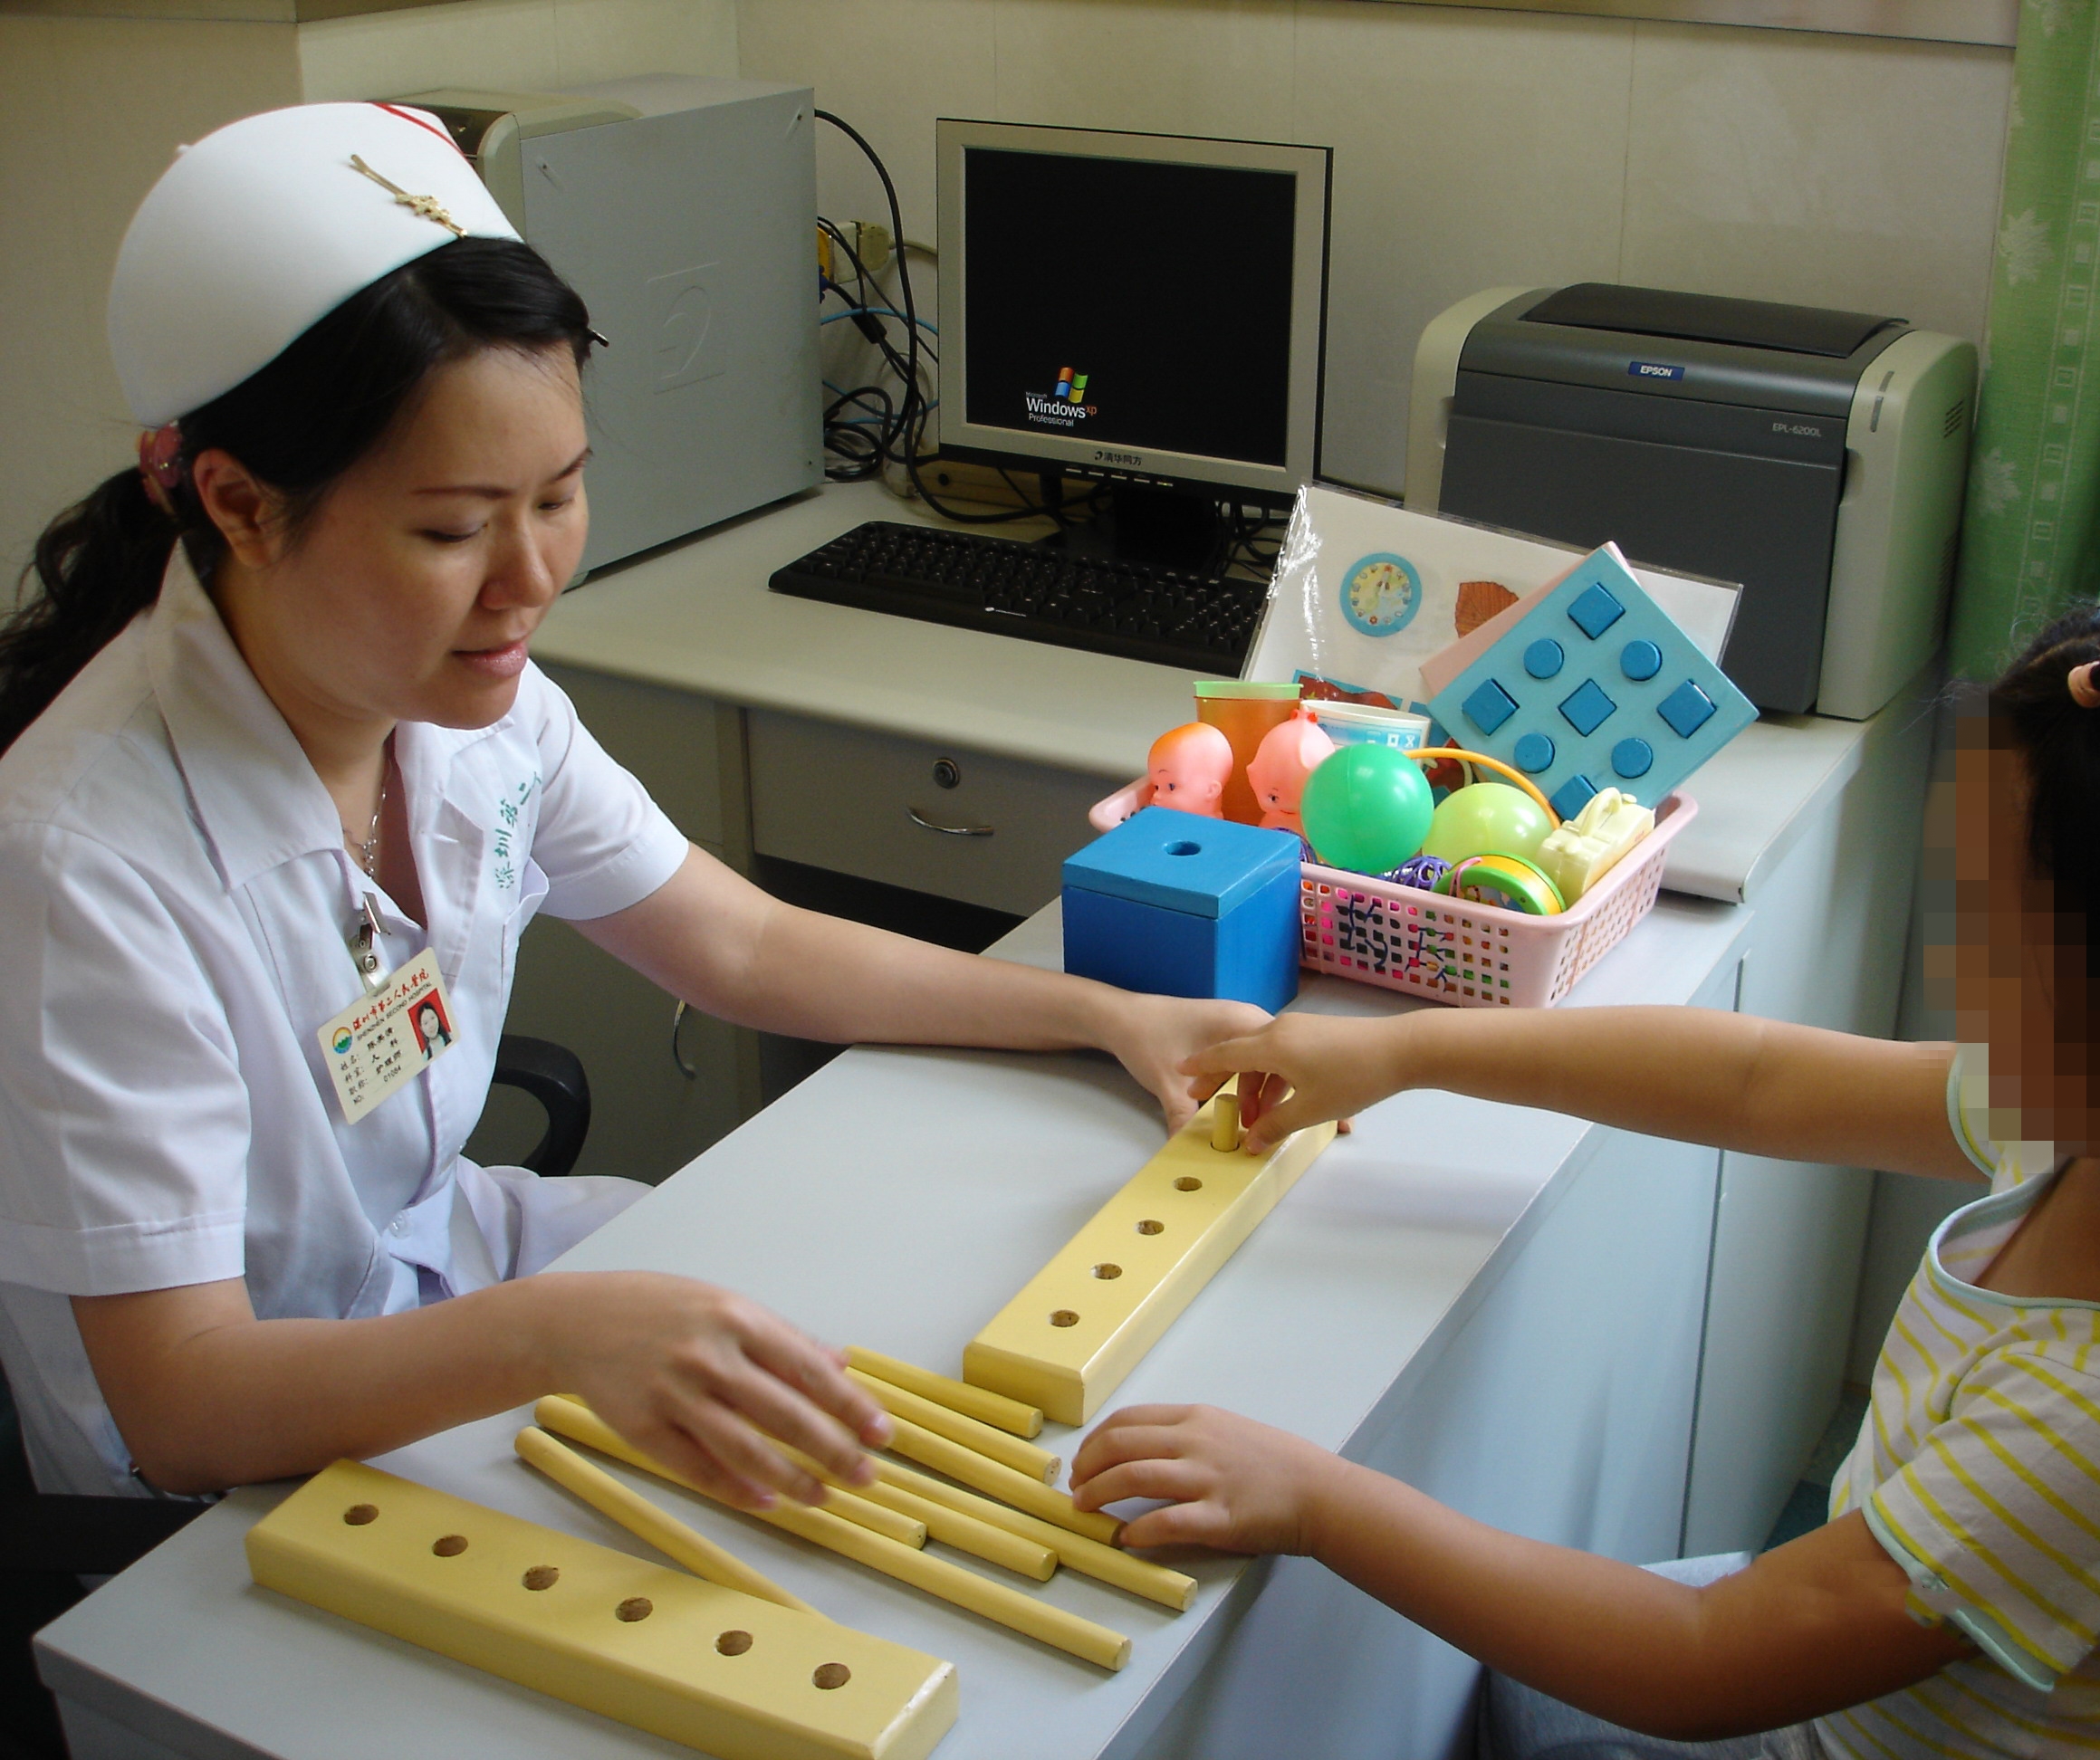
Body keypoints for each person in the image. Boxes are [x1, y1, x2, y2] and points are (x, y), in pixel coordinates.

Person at [0, 103, 1261, 1509]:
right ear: (236, 506)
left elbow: (742, 947)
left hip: (445, 1281)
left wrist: (1105, 1015)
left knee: (880, 1352)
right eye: (451, 528)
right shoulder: (82, 861)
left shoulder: (473, 708)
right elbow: (180, 1404)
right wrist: (555, 1336)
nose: (529, 577)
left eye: (561, 495)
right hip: (229, 1484)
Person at [1070, 559, 2100, 1759]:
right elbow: (1759, 1080)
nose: (1960, 958)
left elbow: (1703, 1658)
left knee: (1527, 1702)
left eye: (1999, 926)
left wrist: (1313, 1497)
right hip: (1985, 1649)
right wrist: (1410, 1055)